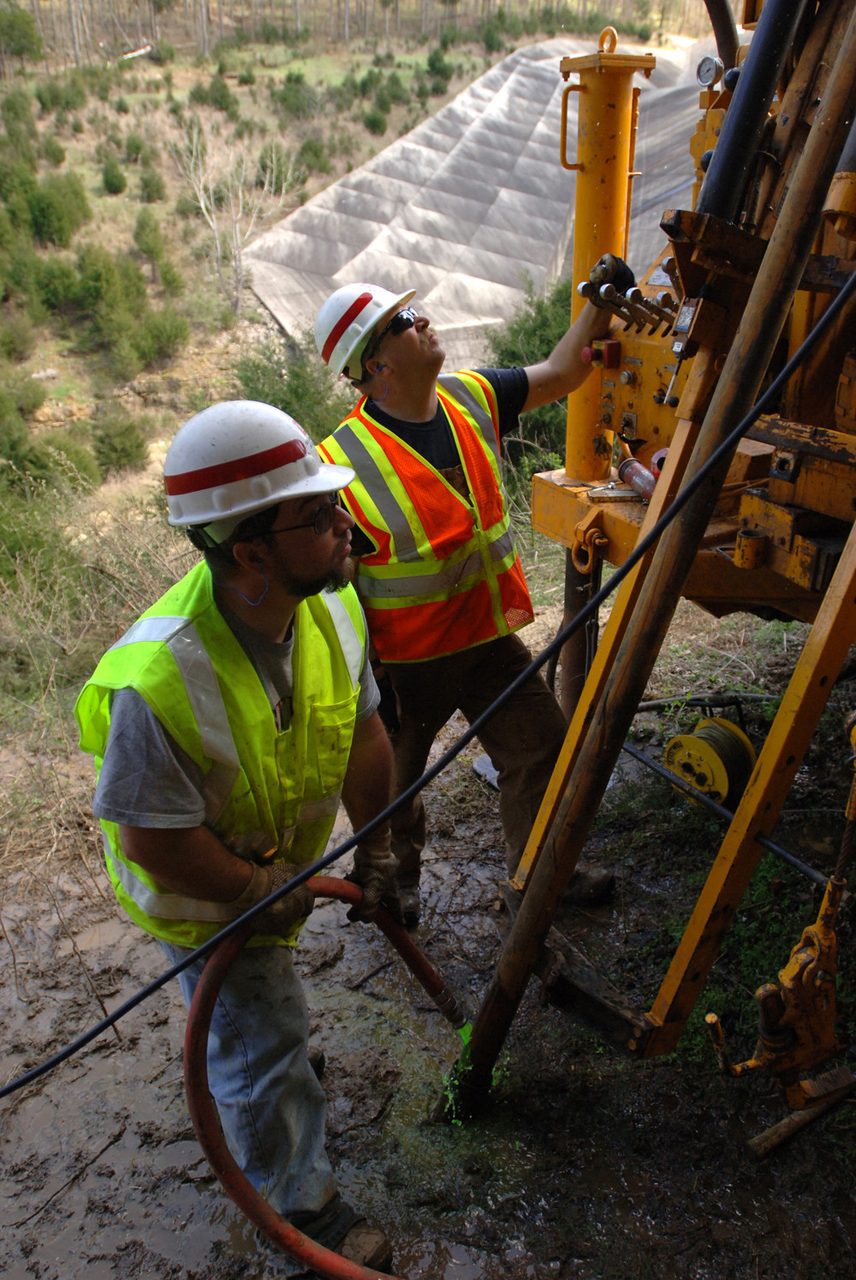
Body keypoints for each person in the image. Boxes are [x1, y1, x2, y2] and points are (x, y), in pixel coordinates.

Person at [75, 401, 398, 1273]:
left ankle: (267, 1075)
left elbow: (366, 736)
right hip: (203, 893)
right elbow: (151, 839)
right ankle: (301, 1211)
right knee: (259, 1038)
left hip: (273, 869)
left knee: (264, 1026)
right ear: (248, 552)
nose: (345, 526)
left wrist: (381, 847)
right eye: (318, 516)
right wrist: (253, 891)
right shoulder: (158, 680)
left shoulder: (330, 610)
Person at [315, 262, 631, 926]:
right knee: (394, 791)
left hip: (486, 641)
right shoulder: (340, 462)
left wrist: (598, 304)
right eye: (404, 322)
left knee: (541, 746)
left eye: (415, 311)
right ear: (376, 367)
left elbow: (562, 371)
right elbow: (334, 588)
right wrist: (367, 681)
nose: (423, 320)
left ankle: (542, 877)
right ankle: (392, 893)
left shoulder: (471, 396)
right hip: (406, 666)